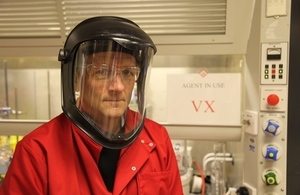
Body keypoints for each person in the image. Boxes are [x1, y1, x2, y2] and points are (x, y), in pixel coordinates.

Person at [0, 16, 183, 195]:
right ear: (76, 80)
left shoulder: (157, 139)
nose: (117, 87)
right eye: (102, 71)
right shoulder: (37, 152)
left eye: (127, 72)